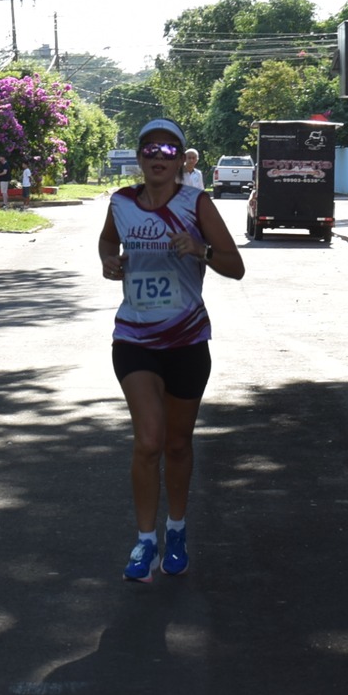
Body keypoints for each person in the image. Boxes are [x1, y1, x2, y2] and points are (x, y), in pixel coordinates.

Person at [97, 118, 244, 581]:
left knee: (178, 445)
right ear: (139, 157)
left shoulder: (196, 203)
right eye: (149, 150)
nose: (157, 158)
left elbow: (235, 267)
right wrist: (108, 260)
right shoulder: (121, 202)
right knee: (149, 441)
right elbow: (107, 240)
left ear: (181, 161)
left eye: (168, 151)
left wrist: (199, 249)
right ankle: (144, 542)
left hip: (187, 340)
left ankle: (176, 530)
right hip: (135, 339)